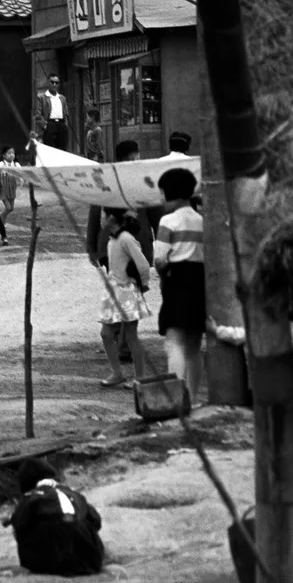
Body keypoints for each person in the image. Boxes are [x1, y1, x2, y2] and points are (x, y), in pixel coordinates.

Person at [154, 167, 205, 405]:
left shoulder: (168, 221)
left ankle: (176, 399)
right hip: (201, 280)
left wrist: (164, 275)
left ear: (170, 193)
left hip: (177, 278)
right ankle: (193, 398)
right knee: (194, 343)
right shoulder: (202, 220)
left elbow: (160, 259)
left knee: (174, 340)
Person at [8, 458, 104, 577]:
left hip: (47, 562)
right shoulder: (74, 494)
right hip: (89, 558)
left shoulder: (29, 498)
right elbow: (96, 521)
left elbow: (19, 525)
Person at [98, 208, 151, 388]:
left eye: (103, 216)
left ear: (112, 217)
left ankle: (140, 377)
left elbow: (143, 265)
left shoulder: (126, 239)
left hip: (127, 290)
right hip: (114, 290)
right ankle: (117, 373)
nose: (101, 219)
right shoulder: (114, 238)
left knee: (130, 335)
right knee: (106, 334)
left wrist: (143, 284)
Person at [33, 73, 69, 150]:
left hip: (61, 124)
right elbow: (37, 114)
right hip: (49, 124)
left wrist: (65, 125)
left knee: (62, 150)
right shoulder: (41, 97)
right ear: (48, 83)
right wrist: (45, 126)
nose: (54, 84)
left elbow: (66, 114)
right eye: (52, 82)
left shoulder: (62, 98)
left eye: (56, 83)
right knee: (50, 150)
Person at [0, 145, 20, 224]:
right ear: (3, 155)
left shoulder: (16, 165)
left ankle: (2, 220)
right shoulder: (0, 164)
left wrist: (21, 180)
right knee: (8, 208)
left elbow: (21, 174)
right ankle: (0, 220)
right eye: (9, 153)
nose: (12, 155)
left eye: (13, 153)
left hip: (12, 188)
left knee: (11, 208)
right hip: (3, 188)